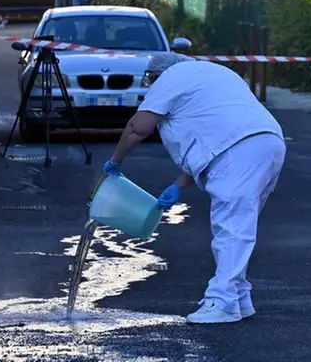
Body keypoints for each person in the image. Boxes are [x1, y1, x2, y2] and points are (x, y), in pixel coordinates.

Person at [102, 53, 286, 325]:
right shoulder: (213, 73)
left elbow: (136, 128)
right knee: (238, 225)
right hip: (268, 144)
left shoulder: (169, 79)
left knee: (231, 229)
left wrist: (115, 161)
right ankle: (239, 296)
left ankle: (222, 302)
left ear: (156, 75)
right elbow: (215, 131)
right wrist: (177, 185)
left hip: (238, 151)